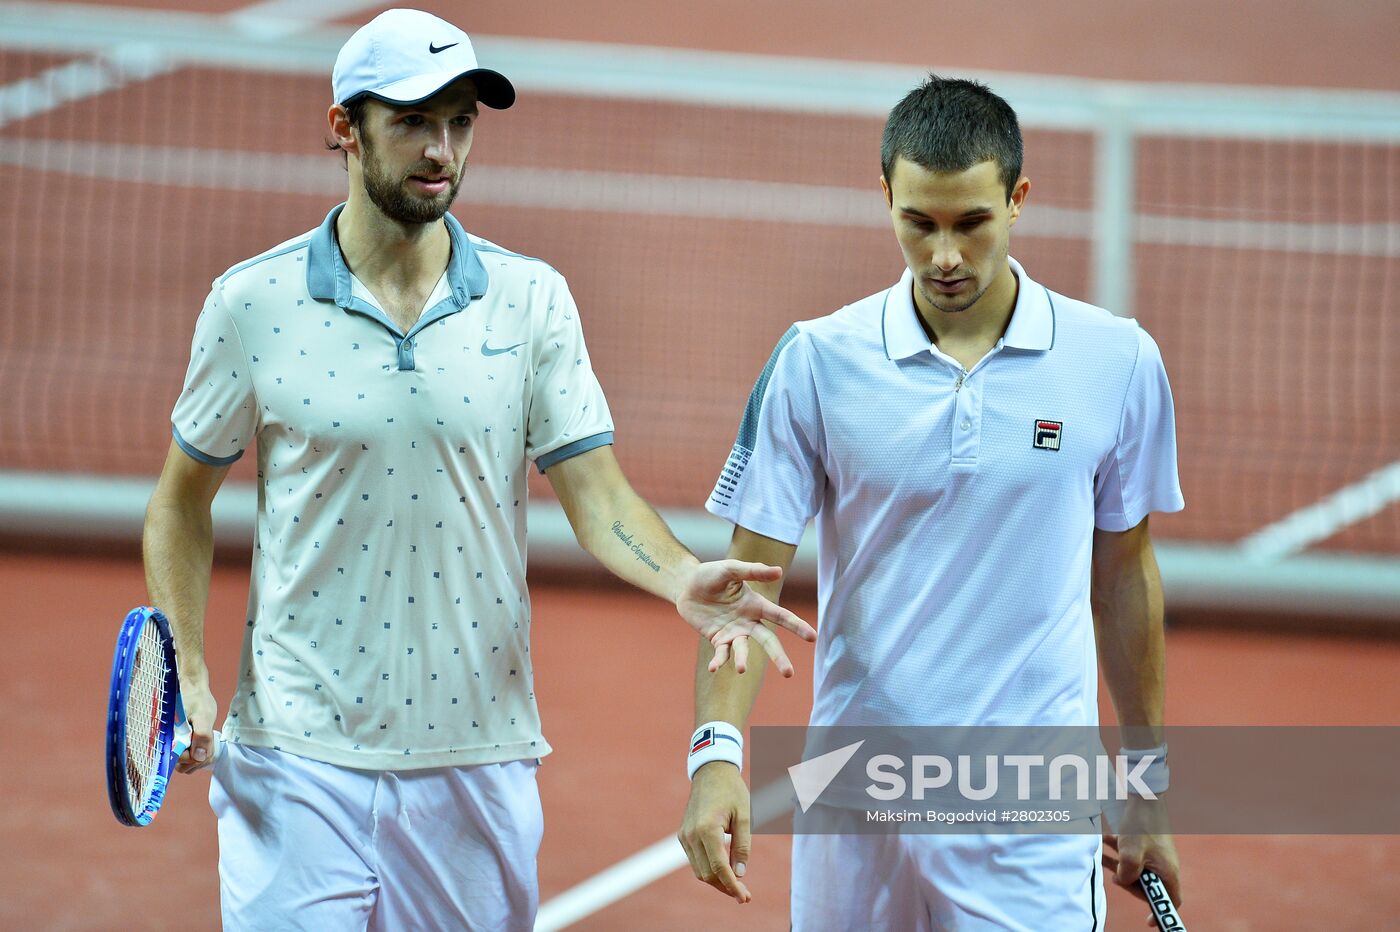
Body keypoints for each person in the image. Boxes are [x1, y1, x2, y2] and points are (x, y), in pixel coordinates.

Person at [142, 9, 814, 930]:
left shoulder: (532, 301)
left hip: (476, 760)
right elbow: (181, 502)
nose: (442, 150)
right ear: (344, 126)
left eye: (460, 123)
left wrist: (681, 576)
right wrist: (186, 658)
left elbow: (596, 491)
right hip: (295, 756)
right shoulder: (250, 304)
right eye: (414, 121)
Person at [679, 75, 1185, 929]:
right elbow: (746, 587)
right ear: (885, 197)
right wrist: (715, 754)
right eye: (919, 223)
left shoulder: (1117, 362)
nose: (945, 255)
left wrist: (1148, 783)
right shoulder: (816, 361)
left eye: (970, 223)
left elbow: (1124, 576)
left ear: (1018, 200)